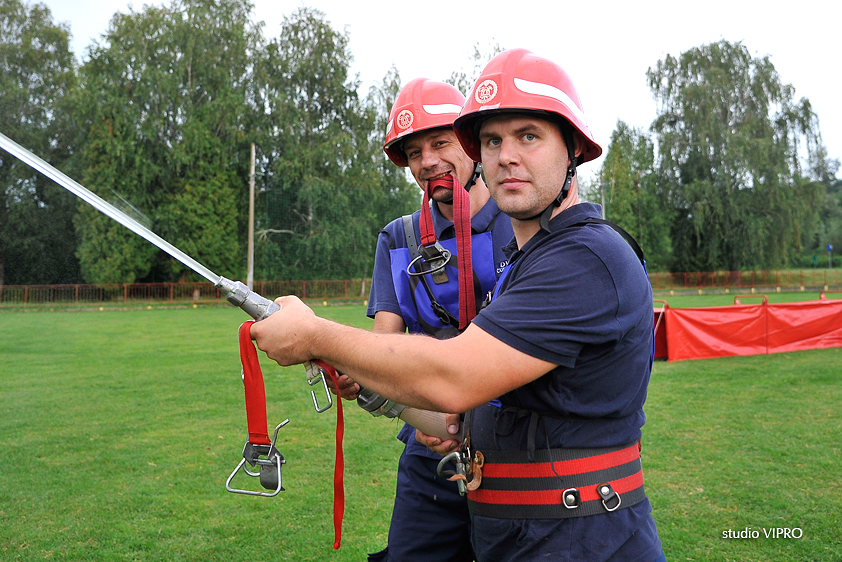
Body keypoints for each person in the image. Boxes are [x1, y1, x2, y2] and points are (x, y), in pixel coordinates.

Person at [251, 48, 664, 562]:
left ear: (573, 149)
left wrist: (316, 335)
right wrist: (368, 377)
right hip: (520, 531)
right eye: (492, 140)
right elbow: (482, 408)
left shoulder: (585, 257)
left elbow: (456, 376)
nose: (506, 155)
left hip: (579, 540)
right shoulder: (524, 258)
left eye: (528, 136)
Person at [344, 77, 514, 562]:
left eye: (441, 143)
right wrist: (360, 371)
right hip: (430, 451)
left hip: (514, 447)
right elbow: (385, 349)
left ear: (470, 144)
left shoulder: (522, 221)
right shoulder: (399, 238)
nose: (428, 162)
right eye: (415, 152)